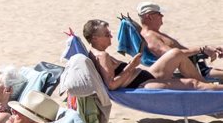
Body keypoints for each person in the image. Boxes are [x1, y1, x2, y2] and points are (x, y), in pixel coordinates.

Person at [83, 19, 223, 91]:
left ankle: (208, 89)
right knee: (193, 83)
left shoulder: (93, 53)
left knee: (176, 53)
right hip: (141, 83)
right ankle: (208, 89)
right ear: (95, 38)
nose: (111, 37)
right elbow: (112, 85)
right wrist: (132, 65)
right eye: (107, 35)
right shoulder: (102, 56)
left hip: (143, 76)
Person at [137, 2, 223, 80]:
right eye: (159, 14)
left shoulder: (154, 33)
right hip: (190, 71)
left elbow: (180, 51)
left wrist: (209, 49)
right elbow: (172, 55)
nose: (162, 16)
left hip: (195, 66)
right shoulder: (150, 36)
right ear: (149, 17)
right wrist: (201, 50)